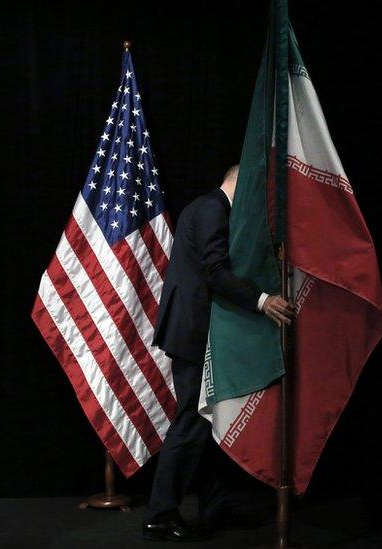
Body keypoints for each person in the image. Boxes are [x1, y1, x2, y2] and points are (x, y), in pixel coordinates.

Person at [142, 165, 295, 541]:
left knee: (209, 424)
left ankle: (215, 507)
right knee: (192, 423)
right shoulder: (213, 209)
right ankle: (160, 514)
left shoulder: (206, 207)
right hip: (193, 333)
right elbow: (215, 272)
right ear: (239, 185)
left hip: (199, 330)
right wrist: (262, 301)